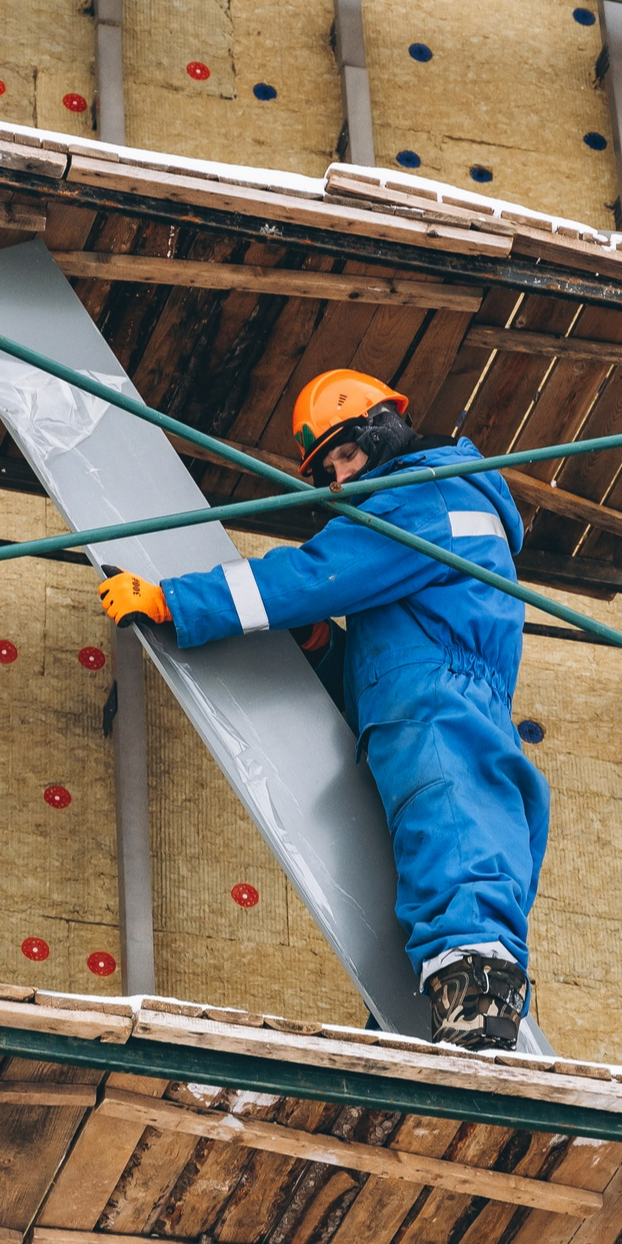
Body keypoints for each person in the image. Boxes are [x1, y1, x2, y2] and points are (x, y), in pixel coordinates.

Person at [96, 369, 550, 1050]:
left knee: (449, 824)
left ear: (380, 433)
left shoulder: (421, 498)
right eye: (325, 468)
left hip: (436, 705)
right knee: (438, 839)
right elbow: (385, 669)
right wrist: (318, 650)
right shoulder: (428, 514)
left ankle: (475, 1000)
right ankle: (433, 1014)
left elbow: (314, 575)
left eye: (342, 456)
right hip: (419, 700)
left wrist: (176, 601)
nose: (335, 480)